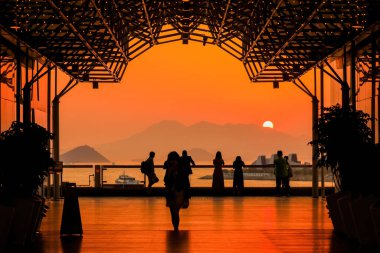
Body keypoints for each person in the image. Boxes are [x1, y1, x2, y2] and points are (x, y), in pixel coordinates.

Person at [164, 151, 190, 231]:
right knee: (173, 211)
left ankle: (176, 227)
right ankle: (175, 227)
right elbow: (166, 179)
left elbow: (185, 182)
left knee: (174, 211)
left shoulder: (181, 169)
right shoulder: (171, 169)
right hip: (174, 192)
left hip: (178, 192)